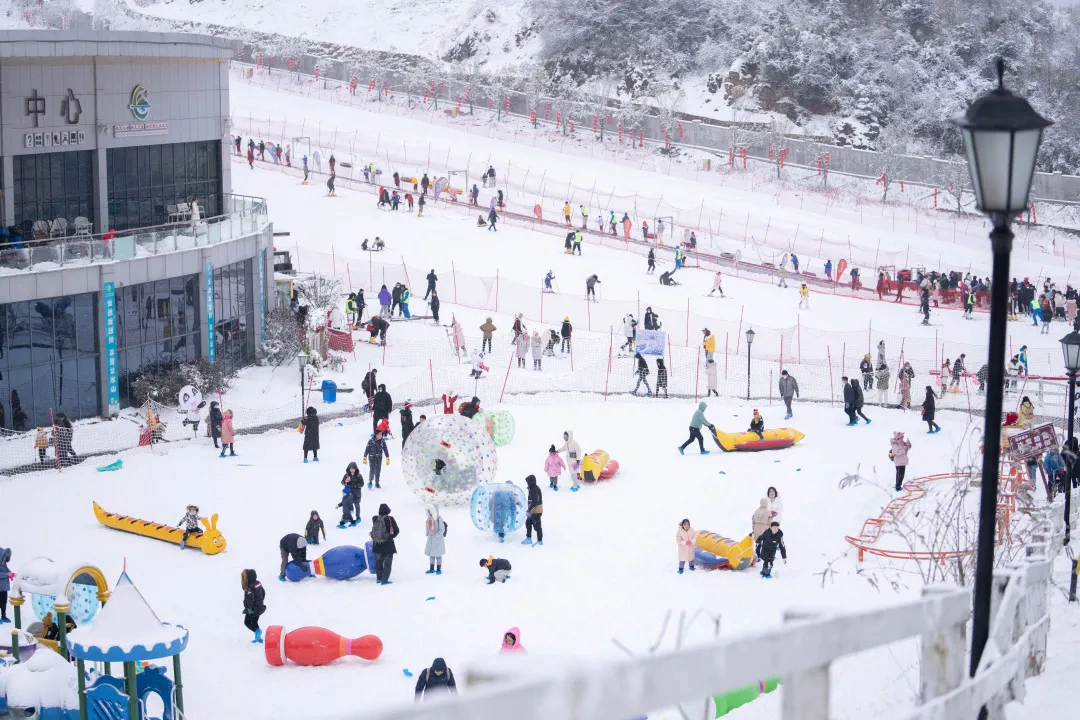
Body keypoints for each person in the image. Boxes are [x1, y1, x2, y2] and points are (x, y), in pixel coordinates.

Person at [371, 503, 400, 585]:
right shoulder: (390, 518)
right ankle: (384, 580)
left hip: (377, 545)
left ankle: (378, 578)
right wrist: (391, 536)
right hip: (388, 545)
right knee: (387, 563)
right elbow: (397, 530)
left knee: (378, 562)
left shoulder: (375, 518)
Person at [242, 569, 266, 643]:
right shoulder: (258, 583)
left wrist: (249, 609)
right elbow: (263, 592)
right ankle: (258, 638)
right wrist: (260, 602)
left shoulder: (249, 587)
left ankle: (257, 631)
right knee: (255, 622)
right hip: (259, 607)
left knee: (247, 622)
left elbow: (250, 599)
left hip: (253, 609)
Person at [424, 505, 447, 574]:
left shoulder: (439, 519)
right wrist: (427, 533)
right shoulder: (429, 519)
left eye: (431, 510)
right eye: (429, 511)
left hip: (438, 540)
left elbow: (442, 529)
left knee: (438, 555)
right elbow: (428, 527)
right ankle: (431, 568)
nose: (430, 512)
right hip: (431, 539)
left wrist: (437, 535)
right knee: (431, 555)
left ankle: (438, 569)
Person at [523, 475, 544, 546]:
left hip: (537, 510)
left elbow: (536, 501)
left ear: (531, 481)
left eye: (528, 481)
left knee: (537, 525)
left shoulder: (535, 488)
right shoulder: (531, 488)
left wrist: (529, 509)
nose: (527, 483)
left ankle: (540, 541)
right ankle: (528, 538)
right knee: (528, 523)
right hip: (532, 510)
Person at [1, 547, 11, 623]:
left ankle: (3, 616)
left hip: (4, 587)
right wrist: (7, 574)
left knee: (4, 602)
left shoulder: (4, 564)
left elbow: (7, 571)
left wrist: (11, 574)